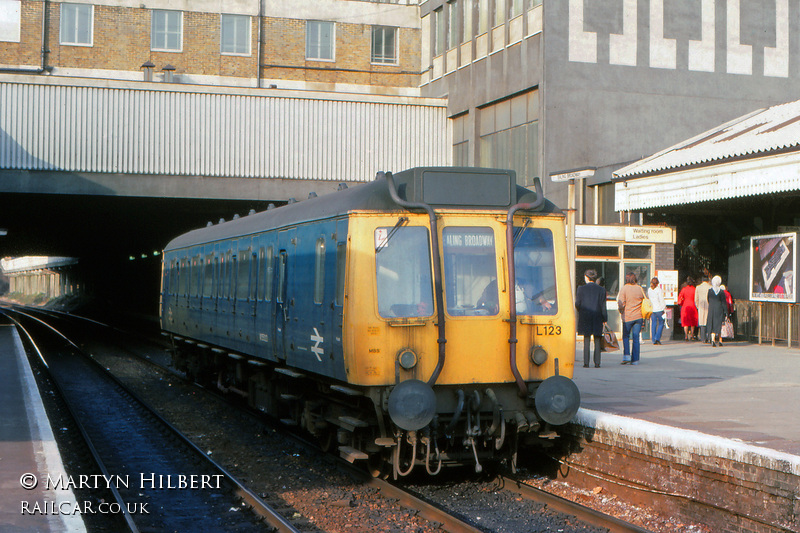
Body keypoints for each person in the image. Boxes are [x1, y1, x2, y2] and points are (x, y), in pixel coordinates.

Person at [575, 269, 607, 368]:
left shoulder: (581, 289)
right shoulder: (601, 290)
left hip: (585, 316)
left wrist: (582, 310)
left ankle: (586, 363)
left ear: (587, 277)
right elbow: (603, 306)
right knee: (597, 339)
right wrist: (605, 318)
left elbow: (577, 304)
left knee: (586, 339)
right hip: (597, 317)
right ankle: (597, 363)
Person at [616, 272, 645, 365]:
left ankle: (627, 356)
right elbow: (645, 300)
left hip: (628, 317)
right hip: (638, 317)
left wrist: (621, 311)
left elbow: (621, 303)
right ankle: (635, 360)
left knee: (626, 336)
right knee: (636, 338)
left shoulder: (624, 288)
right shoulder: (639, 288)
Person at [707, 275, 728, 347]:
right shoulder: (721, 292)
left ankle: (713, 340)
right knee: (719, 325)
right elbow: (723, 302)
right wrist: (726, 312)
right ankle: (720, 340)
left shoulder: (710, 291)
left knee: (712, 324)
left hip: (711, 309)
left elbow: (708, 300)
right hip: (719, 309)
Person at [677, 276, 698, 341]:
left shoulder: (684, 289)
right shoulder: (694, 289)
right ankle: (692, 335)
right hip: (692, 306)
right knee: (692, 322)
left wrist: (682, 303)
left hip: (685, 306)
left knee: (685, 322)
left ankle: (686, 336)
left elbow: (680, 297)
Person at [647, 277, 666, 345]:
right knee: (661, 323)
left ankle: (653, 340)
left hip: (652, 309)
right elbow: (661, 300)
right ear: (657, 283)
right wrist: (664, 309)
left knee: (653, 324)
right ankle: (657, 338)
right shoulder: (659, 290)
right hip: (659, 309)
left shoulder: (649, 290)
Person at [695, 276, 712, 343]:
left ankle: (703, 338)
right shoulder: (710, 287)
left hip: (701, 306)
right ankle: (710, 337)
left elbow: (696, 299)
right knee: (709, 322)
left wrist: (698, 306)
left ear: (702, 281)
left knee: (702, 323)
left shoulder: (698, 287)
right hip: (709, 306)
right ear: (708, 281)